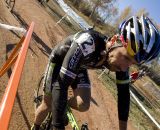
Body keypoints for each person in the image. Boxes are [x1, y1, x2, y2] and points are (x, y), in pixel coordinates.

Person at [31, 15, 160, 130]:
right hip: (59, 62)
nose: (125, 67)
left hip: (79, 67)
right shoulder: (88, 42)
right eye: (126, 58)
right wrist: (57, 125)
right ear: (115, 40)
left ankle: (60, 106)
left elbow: (124, 99)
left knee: (83, 104)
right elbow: (62, 84)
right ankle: (36, 126)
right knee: (47, 104)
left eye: (132, 63)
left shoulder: (119, 62)